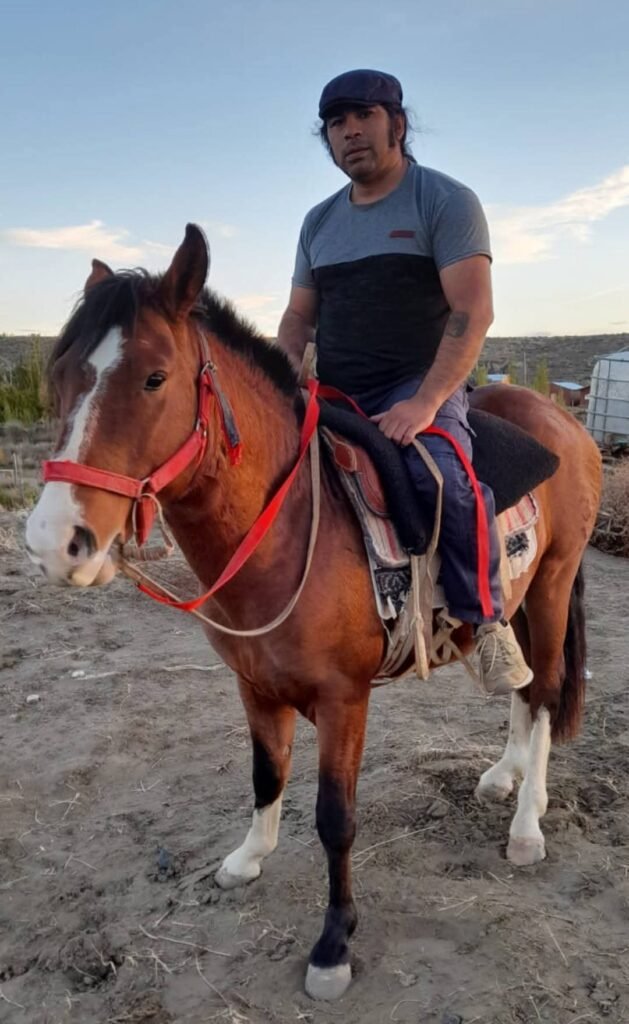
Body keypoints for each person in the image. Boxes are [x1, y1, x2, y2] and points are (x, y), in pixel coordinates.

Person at [277, 68, 532, 695]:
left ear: (397, 123)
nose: (349, 132)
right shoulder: (318, 222)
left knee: (443, 479)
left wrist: (425, 402)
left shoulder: (443, 200)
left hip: (416, 385)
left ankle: (488, 621)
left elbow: (472, 311)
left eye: (363, 116)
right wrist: (282, 380)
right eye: (336, 123)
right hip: (336, 390)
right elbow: (298, 317)